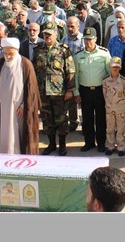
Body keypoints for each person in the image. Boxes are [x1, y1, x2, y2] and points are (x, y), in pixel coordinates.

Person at [0, 37, 41, 154]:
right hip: (2, 108)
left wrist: (25, 105)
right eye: (5, 53)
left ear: (17, 50)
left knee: (20, 135)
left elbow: (32, 90)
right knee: (4, 133)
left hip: (19, 109)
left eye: (11, 54)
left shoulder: (25, 64)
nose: (8, 56)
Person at [33, 21, 76, 156]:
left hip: (59, 92)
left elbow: (70, 71)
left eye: (50, 34)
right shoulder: (38, 50)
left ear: (56, 35)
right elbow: (34, 71)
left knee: (61, 119)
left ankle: (62, 145)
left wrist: (70, 90)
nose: (47, 36)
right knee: (47, 119)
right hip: (43, 91)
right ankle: (51, 144)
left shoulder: (63, 50)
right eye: (45, 34)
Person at [74, 27, 111, 153]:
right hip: (85, 91)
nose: (88, 42)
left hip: (100, 90)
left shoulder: (104, 53)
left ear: (96, 39)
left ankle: (101, 143)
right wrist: (76, 92)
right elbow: (76, 76)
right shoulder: (79, 55)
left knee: (101, 118)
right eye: (85, 39)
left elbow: (109, 73)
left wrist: (108, 92)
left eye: (90, 39)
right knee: (87, 118)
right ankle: (89, 142)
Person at [102, 57, 125, 156]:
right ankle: (110, 146)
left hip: (120, 108)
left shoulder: (124, 81)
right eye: (113, 67)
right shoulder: (105, 80)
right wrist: (107, 104)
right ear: (110, 67)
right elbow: (104, 94)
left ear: (120, 68)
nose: (115, 69)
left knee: (121, 129)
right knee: (110, 128)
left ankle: (121, 147)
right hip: (109, 108)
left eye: (117, 67)